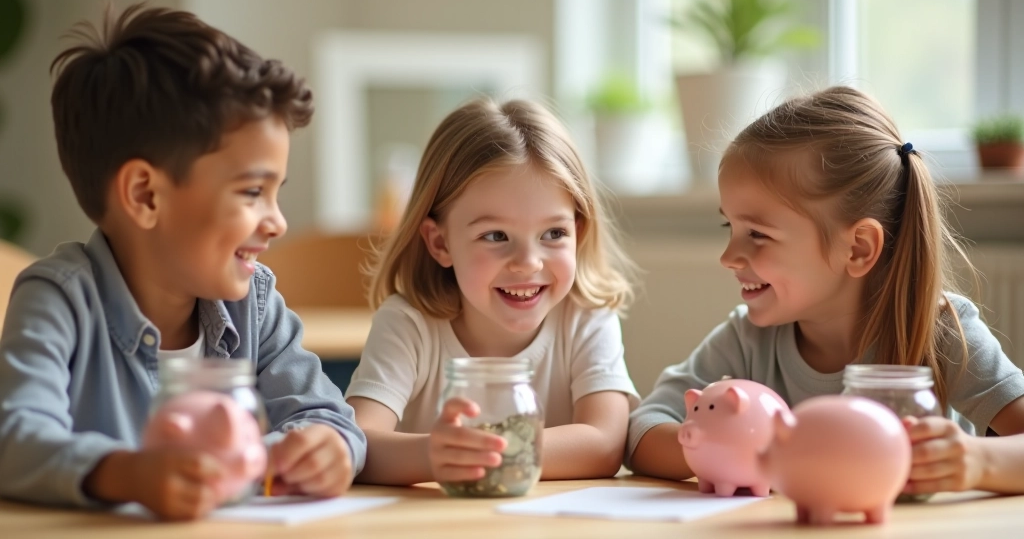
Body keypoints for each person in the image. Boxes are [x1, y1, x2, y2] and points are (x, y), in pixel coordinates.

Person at [0, 4, 366, 520]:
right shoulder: (58, 299)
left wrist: (326, 448)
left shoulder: (256, 301)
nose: (277, 222)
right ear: (145, 195)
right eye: (253, 192)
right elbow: (13, 438)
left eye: (276, 192)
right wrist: (128, 473)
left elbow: (327, 414)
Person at [628, 86, 1024, 495]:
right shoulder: (747, 340)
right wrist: (734, 447)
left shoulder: (941, 331)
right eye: (730, 227)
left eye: (758, 234)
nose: (729, 256)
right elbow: (642, 430)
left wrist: (978, 461)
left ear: (857, 248)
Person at [346, 97, 639, 485]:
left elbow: (604, 444)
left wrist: (483, 451)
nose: (528, 262)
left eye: (554, 233)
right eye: (495, 235)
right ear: (440, 243)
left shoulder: (586, 318)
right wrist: (435, 456)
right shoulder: (408, 324)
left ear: (578, 232)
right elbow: (357, 443)